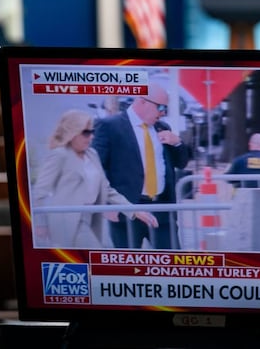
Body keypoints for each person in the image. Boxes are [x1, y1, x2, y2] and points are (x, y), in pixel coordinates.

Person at [31, 109, 158, 249]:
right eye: (86, 132)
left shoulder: (92, 154)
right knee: (94, 258)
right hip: (66, 221)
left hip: (89, 219)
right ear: (72, 133)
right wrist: (40, 224)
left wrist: (133, 211)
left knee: (84, 264)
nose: (91, 137)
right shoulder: (59, 156)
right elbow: (39, 193)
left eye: (92, 132)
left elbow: (107, 189)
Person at [92, 82, 191, 249]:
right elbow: (96, 169)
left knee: (174, 264)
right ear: (142, 101)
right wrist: (106, 205)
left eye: (165, 108)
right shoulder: (110, 126)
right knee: (128, 268)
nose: (163, 113)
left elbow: (182, 162)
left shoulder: (162, 127)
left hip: (161, 209)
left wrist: (177, 142)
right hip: (126, 209)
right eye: (160, 107)